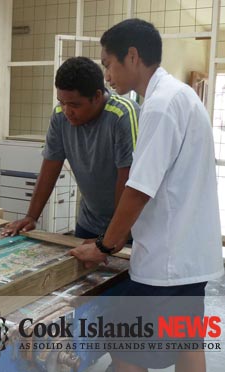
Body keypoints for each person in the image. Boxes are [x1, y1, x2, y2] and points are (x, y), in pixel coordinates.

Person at [70, 19, 224, 372]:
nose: (106, 76)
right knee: (188, 342)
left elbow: (138, 189)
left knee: (128, 353)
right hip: (191, 259)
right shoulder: (179, 95)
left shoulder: (160, 105)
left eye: (108, 64)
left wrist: (105, 246)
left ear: (133, 56)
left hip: (165, 264)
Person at [2, 56, 139, 240]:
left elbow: (129, 181)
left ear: (97, 96)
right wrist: (31, 216)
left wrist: (110, 239)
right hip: (89, 222)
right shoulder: (60, 116)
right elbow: (50, 166)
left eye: (74, 105)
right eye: (62, 102)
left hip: (128, 227)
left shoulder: (122, 115)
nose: (67, 111)